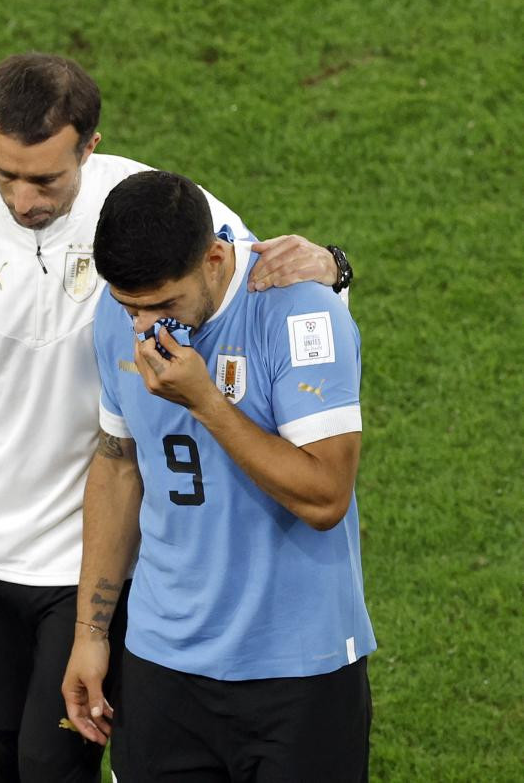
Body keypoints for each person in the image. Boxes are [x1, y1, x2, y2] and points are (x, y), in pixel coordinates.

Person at [0, 54, 351, 782]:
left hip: (99, 553)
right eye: (5, 175)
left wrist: (335, 270)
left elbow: (252, 283)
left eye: (46, 180)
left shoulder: (148, 203)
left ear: (89, 146)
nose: (23, 200)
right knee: (9, 758)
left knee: (49, 763)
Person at [63, 170, 373, 781]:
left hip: (298, 669)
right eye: (131, 308)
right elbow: (119, 465)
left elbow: (325, 495)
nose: (144, 329)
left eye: (163, 306)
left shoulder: (299, 315)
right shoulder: (118, 311)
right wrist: (91, 632)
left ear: (212, 258)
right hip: (161, 662)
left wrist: (206, 401)